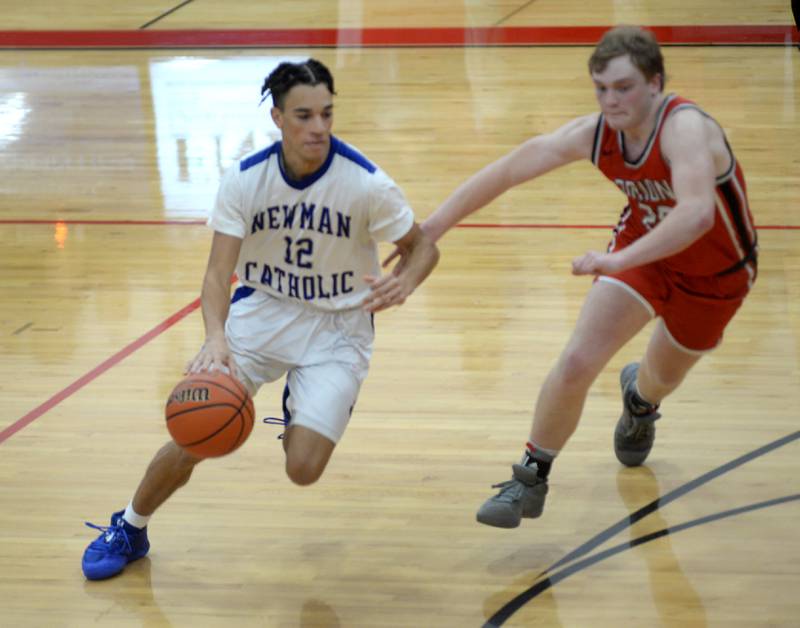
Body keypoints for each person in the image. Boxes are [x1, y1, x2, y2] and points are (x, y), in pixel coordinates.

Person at [81, 58, 439, 579]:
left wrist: (406, 281)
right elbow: (215, 275)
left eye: (326, 114)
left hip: (338, 328)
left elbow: (422, 245)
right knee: (194, 430)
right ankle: (130, 527)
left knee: (303, 470)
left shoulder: (365, 182)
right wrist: (214, 340)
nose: (318, 127)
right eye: (303, 116)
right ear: (277, 118)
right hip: (262, 313)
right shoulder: (246, 179)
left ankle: (302, 399)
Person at [410, 25, 757, 528]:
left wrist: (616, 260)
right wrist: (431, 229)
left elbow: (697, 214)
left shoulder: (685, 128)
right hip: (643, 254)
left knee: (662, 377)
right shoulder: (595, 133)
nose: (610, 101)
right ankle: (530, 477)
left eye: (623, 88)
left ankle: (640, 401)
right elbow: (510, 168)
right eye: (601, 89)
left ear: (656, 84)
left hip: (716, 273)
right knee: (577, 359)